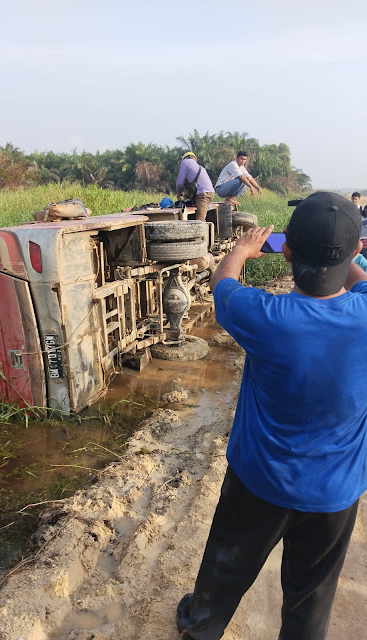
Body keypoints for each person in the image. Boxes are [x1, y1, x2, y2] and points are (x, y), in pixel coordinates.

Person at [177, 191, 367, 640]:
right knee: (312, 596)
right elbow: (357, 279)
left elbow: (223, 285)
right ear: (358, 249)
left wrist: (239, 251)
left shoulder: (266, 316)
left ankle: (201, 628)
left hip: (259, 480)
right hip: (335, 493)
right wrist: (346, 256)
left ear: (285, 250)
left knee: (225, 569)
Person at [176, 152, 215, 221]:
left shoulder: (185, 162)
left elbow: (179, 182)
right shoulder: (199, 167)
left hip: (203, 195)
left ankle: (204, 231)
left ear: (184, 159)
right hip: (207, 192)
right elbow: (193, 186)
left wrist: (179, 193)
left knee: (200, 220)